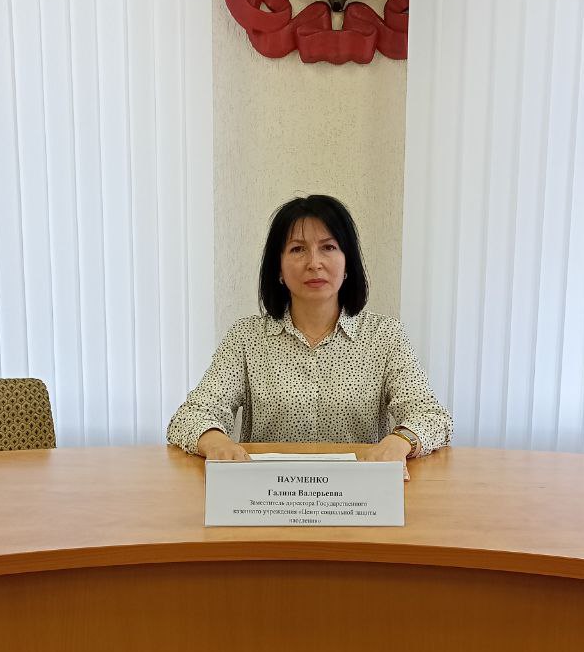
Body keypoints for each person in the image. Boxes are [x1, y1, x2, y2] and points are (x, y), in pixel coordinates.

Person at [166, 195, 452, 467]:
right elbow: (192, 415)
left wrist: (400, 441)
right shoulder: (246, 337)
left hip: (358, 492)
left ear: (347, 263)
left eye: (328, 247)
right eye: (297, 249)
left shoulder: (385, 335)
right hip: (269, 492)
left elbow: (431, 415)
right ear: (278, 268)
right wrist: (215, 441)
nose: (314, 263)